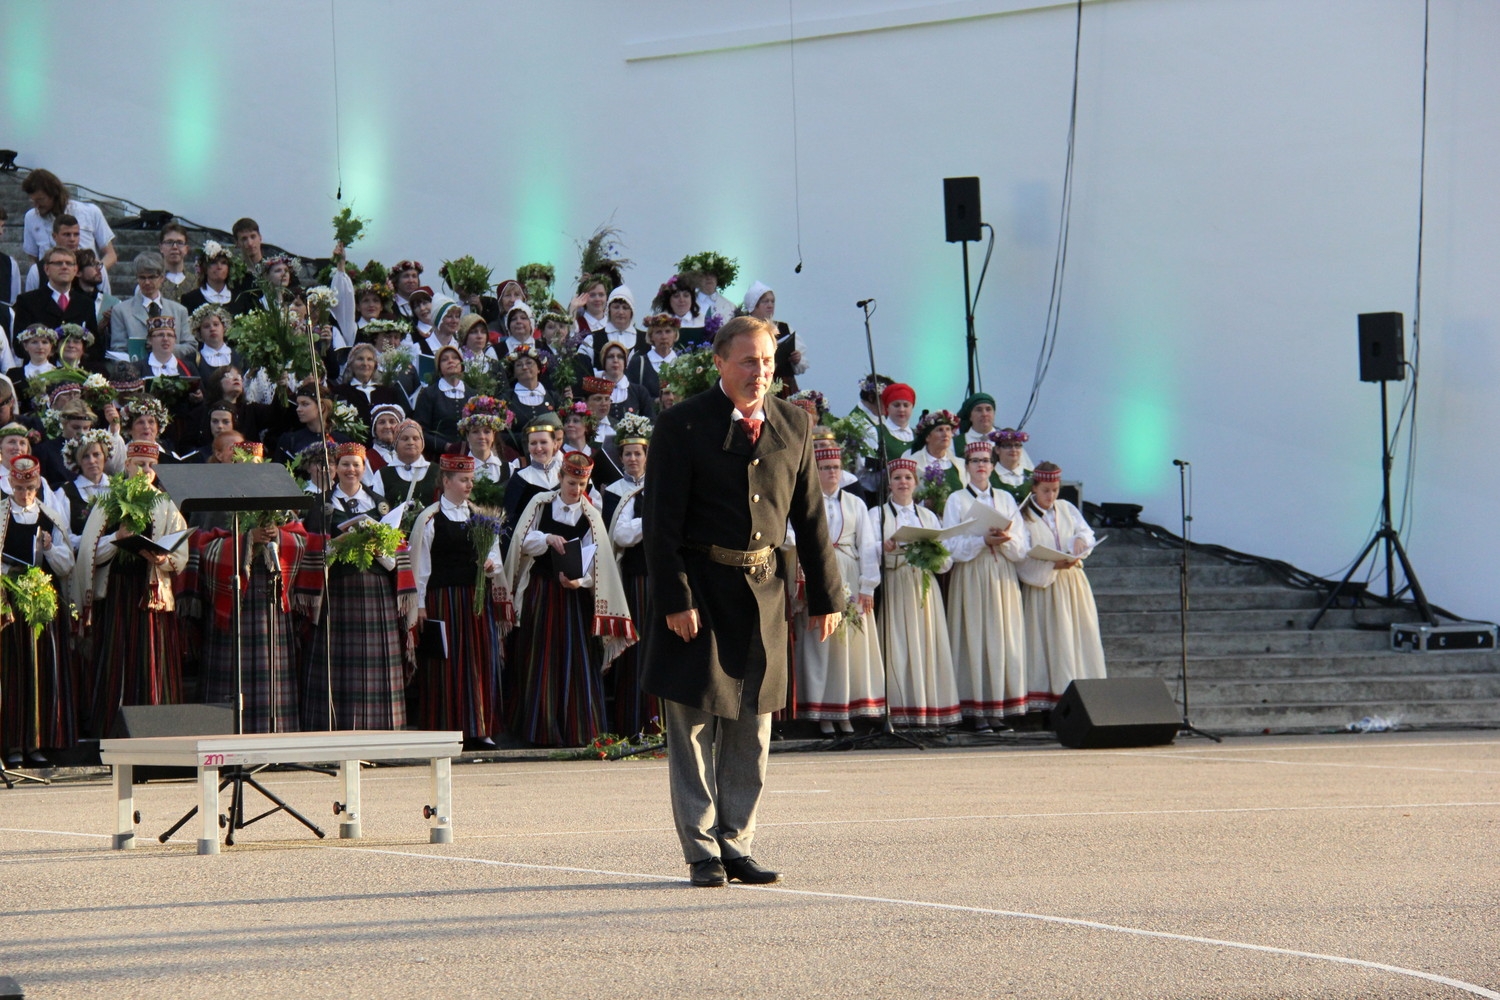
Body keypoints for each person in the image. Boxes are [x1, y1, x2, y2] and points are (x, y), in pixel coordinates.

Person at [640, 315, 842, 888]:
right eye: (750, 361)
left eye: (769, 362)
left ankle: (737, 843)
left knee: (753, 727)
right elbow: (660, 526)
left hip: (764, 595)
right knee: (694, 726)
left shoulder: (794, 423)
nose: (761, 373)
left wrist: (828, 597)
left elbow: (811, 520)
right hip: (700, 592)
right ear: (720, 363)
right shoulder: (681, 425)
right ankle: (702, 851)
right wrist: (675, 598)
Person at [502, 451, 636, 747]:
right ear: (560, 479)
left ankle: (577, 729)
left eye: (582, 484)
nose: (576, 489)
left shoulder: (590, 516)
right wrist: (546, 539)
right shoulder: (541, 504)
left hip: (572, 599)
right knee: (538, 657)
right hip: (541, 591)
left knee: (574, 659)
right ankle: (538, 728)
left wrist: (580, 581)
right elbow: (521, 542)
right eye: (571, 483)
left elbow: (597, 561)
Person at [74, 441, 189, 738]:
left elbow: (180, 556)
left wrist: (162, 559)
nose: (145, 471)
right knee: (115, 659)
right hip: (116, 594)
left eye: (150, 466)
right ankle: (113, 731)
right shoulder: (109, 502)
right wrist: (117, 537)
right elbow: (89, 552)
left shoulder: (165, 504)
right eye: (139, 464)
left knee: (150, 659)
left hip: (149, 594)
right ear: (126, 466)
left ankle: (155, 731)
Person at [300, 442, 415, 731]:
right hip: (336, 590)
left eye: (356, 465)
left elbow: (397, 553)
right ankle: (333, 728)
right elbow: (310, 551)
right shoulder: (320, 504)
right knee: (338, 664)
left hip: (375, 589)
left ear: (364, 469)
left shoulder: (380, 504)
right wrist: (335, 545)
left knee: (375, 666)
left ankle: (379, 729)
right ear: (335, 468)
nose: (351, 469)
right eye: (345, 464)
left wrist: (379, 549)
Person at [409, 454, 504, 745]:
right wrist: (421, 605)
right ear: (446, 481)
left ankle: (479, 728)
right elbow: (420, 565)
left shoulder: (480, 515)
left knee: (479, 661)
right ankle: (445, 729)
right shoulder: (430, 518)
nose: (469, 484)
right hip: (444, 600)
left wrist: (490, 566)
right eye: (463, 480)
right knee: (446, 665)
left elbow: (496, 558)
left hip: (475, 600)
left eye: (470, 479)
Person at [793, 436, 885, 735]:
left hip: (848, 570)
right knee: (820, 643)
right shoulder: (803, 499)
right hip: (817, 571)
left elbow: (868, 545)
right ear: (814, 470)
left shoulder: (855, 503)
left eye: (835, 467)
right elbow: (788, 535)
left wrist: (867, 587)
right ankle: (821, 710)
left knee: (849, 646)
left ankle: (844, 709)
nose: (832, 472)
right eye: (825, 467)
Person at [942, 440, 1029, 731]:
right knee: (975, 638)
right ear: (966, 467)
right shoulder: (957, 500)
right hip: (972, 574)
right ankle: (976, 709)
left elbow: (1022, 545)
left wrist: (1006, 540)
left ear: (993, 466)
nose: (981, 465)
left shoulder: (1005, 498)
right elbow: (950, 545)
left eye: (986, 460)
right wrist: (982, 540)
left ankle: (998, 709)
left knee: (1001, 638)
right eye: (975, 460)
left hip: (1001, 574)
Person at [869, 456, 960, 729]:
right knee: (898, 643)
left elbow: (946, 561)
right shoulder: (878, 514)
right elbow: (868, 549)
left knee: (927, 643)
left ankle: (930, 709)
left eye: (908, 478)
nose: (903, 482)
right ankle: (900, 710)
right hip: (896, 584)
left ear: (916, 483)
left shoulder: (928, 516)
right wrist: (883, 547)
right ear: (889, 484)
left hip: (924, 586)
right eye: (897, 478)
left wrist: (932, 552)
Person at [0, 456, 76, 765]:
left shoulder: (51, 516)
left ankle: (36, 743)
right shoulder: (2, 514)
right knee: (12, 672)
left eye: (30, 488)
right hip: (8, 601)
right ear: (10, 484)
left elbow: (67, 564)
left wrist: (48, 548)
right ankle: (12, 744)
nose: (25, 494)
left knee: (40, 672)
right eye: (19, 488)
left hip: (40, 602)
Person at [1017, 462, 1107, 713]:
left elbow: (1085, 532)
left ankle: (1086, 697)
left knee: (1079, 636)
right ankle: (1053, 702)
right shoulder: (1023, 516)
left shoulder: (1066, 508)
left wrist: (1081, 541)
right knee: (1053, 641)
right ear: (1034, 488)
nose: (1051, 496)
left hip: (1073, 584)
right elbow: (1021, 554)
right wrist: (1052, 565)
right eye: (1046, 490)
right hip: (1045, 587)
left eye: (1055, 490)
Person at [602, 416, 655, 735]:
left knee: (660, 647)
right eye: (628, 454)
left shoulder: (660, 484)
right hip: (632, 579)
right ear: (620, 458)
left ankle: (659, 723)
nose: (633, 459)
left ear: (647, 456)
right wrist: (649, 521)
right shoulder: (615, 492)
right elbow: (620, 536)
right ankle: (632, 722)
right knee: (634, 649)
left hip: (659, 577)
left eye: (638, 453)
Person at [21, 169, 117, 290]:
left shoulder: (90, 212)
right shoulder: (31, 217)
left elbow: (110, 254)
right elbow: (33, 258)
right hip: (51, 286)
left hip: (87, 286)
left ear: (54, 194)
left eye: (40, 200)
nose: (36, 205)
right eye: (33, 200)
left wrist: (95, 273)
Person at [741, 281, 804, 396]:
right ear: (753, 305)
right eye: (765, 301)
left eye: (772, 301)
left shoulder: (784, 327)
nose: (770, 305)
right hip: (756, 385)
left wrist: (797, 359)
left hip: (784, 386)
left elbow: (801, 365)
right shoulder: (743, 330)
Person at [627, 314, 680, 402]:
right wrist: (655, 401)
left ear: (675, 335)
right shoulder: (638, 363)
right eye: (658, 332)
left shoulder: (684, 362)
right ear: (651, 336)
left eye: (668, 331)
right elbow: (632, 396)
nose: (664, 337)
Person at [157, 224, 198, 303]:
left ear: (186, 249)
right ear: (161, 247)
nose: (175, 247)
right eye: (169, 242)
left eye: (180, 242)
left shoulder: (197, 282)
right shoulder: (154, 282)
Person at [991, 428, 1034, 501]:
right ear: (997, 449)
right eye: (1008, 445)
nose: (1013, 449)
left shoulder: (1032, 477)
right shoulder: (989, 477)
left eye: (1017, 445)